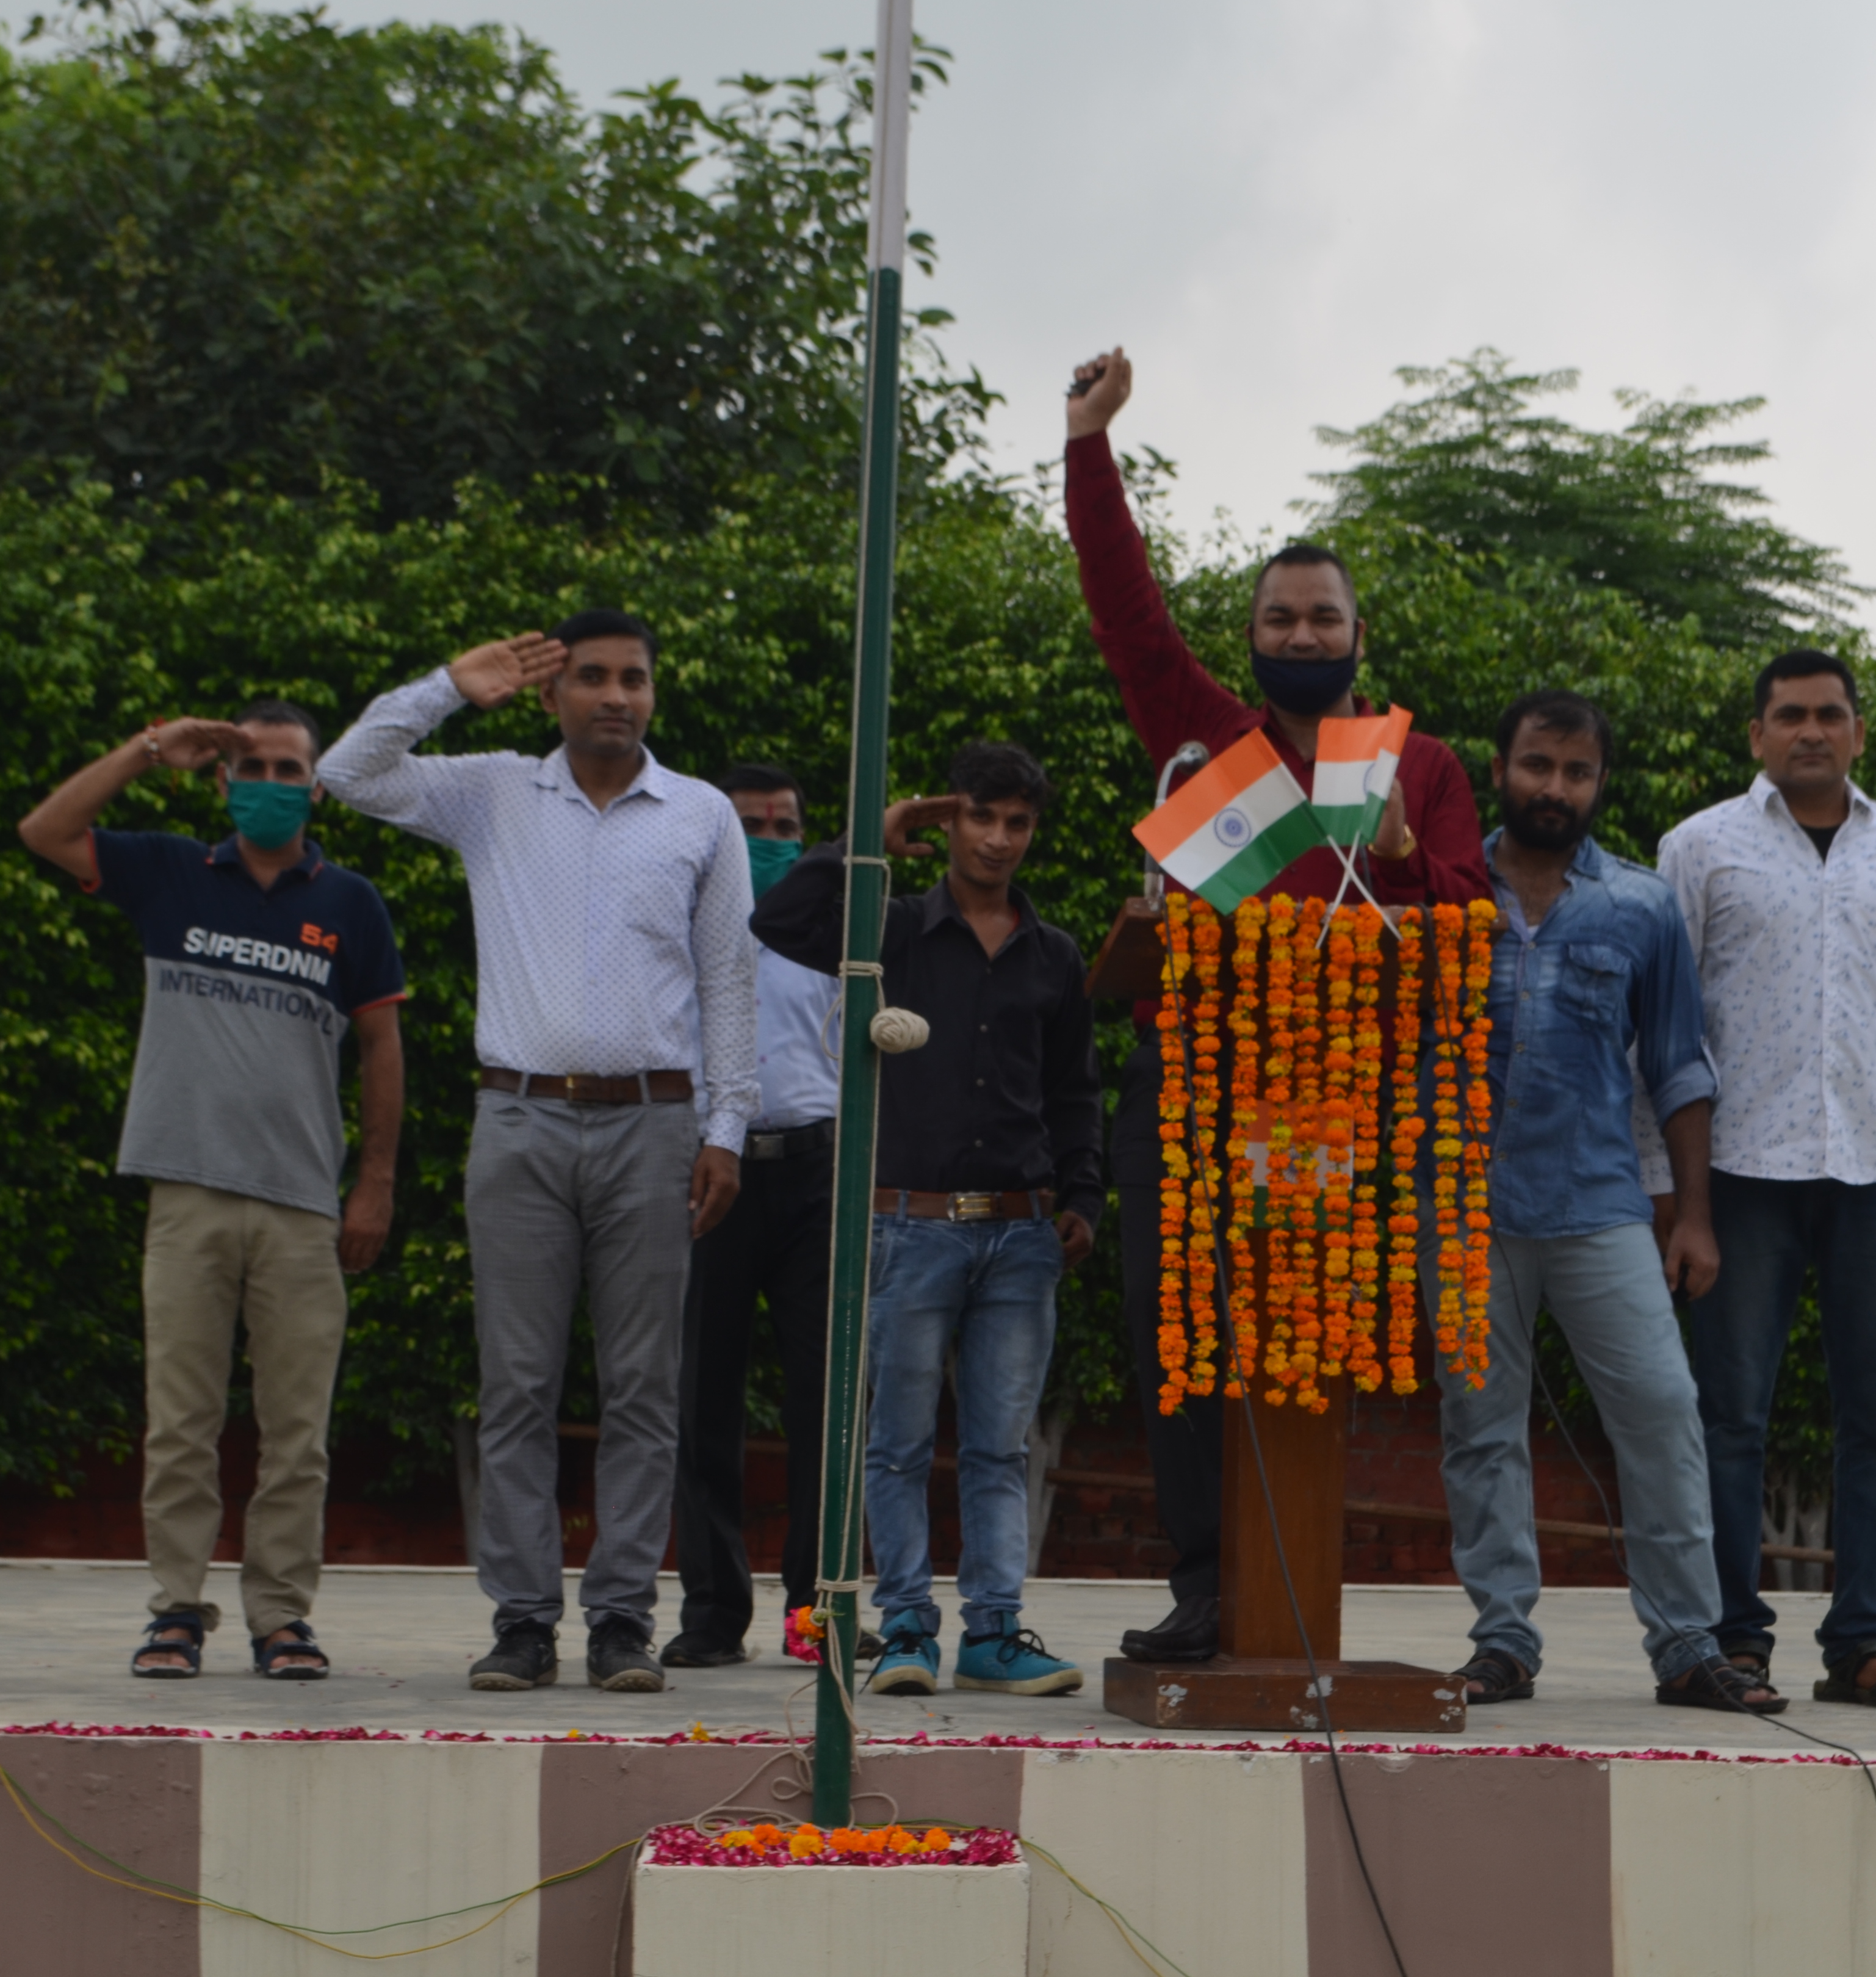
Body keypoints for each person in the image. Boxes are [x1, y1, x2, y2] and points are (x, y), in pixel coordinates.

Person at [1064, 347, 1492, 1664]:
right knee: (1181, 1328)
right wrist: (1088, 446)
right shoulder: (1212, 745)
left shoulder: (1417, 765)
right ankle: (1208, 1587)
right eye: (1279, 620)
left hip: (1327, 1094)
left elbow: (1472, 924)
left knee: (1299, 1331)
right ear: (1252, 639)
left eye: (1323, 618)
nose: (1302, 636)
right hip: (1191, 1087)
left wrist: (1408, 869)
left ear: (1360, 635)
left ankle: (1295, 1582)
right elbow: (1126, 614)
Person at [320, 610, 757, 1694]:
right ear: (555, 692)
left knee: (644, 1386)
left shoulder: (701, 813)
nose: (615, 695)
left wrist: (726, 1130)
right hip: (517, 1119)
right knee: (515, 1382)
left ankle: (621, 1621)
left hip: (656, 1122)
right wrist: (448, 686)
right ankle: (521, 1620)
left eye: (633, 679)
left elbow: (729, 982)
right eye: (593, 677)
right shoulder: (495, 791)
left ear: (654, 692)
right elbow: (346, 772)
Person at [18, 702, 405, 1683]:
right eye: (252, 769)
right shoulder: (169, 870)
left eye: (288, 770)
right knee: (181, 1421)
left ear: (317, 790)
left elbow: (381, 1044)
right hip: (186, 1192)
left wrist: (375, 1182)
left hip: (303, 1203)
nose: (270, 785)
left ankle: (282, 1617)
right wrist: (149, 750)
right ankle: (176, 1611)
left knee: (297, 1433)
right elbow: (46, 830)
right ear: (223, 783)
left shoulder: (352, 902)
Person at [1440, 690, 1783, 1715]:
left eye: (1577, 772)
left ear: (1599, 784)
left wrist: (1695, 1217)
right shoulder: (1443, 895)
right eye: (1537, 765)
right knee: (1480, 1427)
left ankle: (1687, 1646)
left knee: (1666, 1412)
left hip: (1599, 1203)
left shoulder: (1639, 904)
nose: (1555, 787)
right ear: (1499, 770)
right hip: (1462, 1210)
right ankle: (1502, 1643)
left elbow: (1679, 1067)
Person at [1650, 648, 1876, 1712]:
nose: (1811, 731)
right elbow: (1662, 1028)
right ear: (1757, 734)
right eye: (1789, 715)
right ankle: (1733, 1641)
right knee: (1728, 1418)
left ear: (1858, 733)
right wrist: (1666, 1183)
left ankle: (1864, 1646)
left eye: (1830, 714)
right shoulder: (1700, 847)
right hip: (1740, 1171)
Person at [752, 742, 1105, 1699]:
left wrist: (1081, 1198)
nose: (998, 839)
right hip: (907, 1228)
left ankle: (995, 1634)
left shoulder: (1054, 954)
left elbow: (1074, 1092)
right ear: (950, 820)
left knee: (1000, 1448)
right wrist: (868, 837)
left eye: (1017, 822)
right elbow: (777, 922)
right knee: (898, 1443)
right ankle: (906, 1629)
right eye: (981, 816)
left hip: (1022, 1235)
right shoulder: (892, 930)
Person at [662, 764, 854, 1671]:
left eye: (785, 826)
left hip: (817, 1173)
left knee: (826, 1397)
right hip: (714, 1171)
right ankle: (712, 1611)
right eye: (750, 826)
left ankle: (815, 1609)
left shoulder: (835, 934)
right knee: (705, 1394)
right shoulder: (681, 929)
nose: (769, 841)